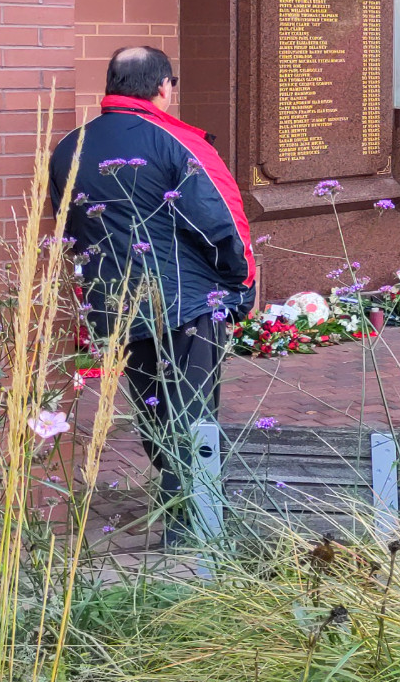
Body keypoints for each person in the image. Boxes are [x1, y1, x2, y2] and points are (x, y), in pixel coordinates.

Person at [48, 46, 255, 543]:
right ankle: (194, 526)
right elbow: (223, 221)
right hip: (183, 303)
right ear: (165, 87)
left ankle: (180, 503)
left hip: (116, 306)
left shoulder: (67, 149)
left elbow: (69, 226)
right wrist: (240, 286)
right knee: (191, 410)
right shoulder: (174, 141)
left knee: (154, 409)